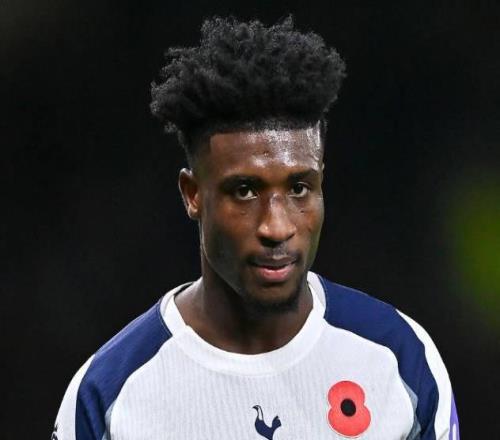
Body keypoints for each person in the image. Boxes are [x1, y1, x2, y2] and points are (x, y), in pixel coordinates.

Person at [53, 16, 459, 440]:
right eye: (245, 191)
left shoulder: (399, 360)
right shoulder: (111, 396)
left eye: (299, 188)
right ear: (193, 194)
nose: (276, 226)